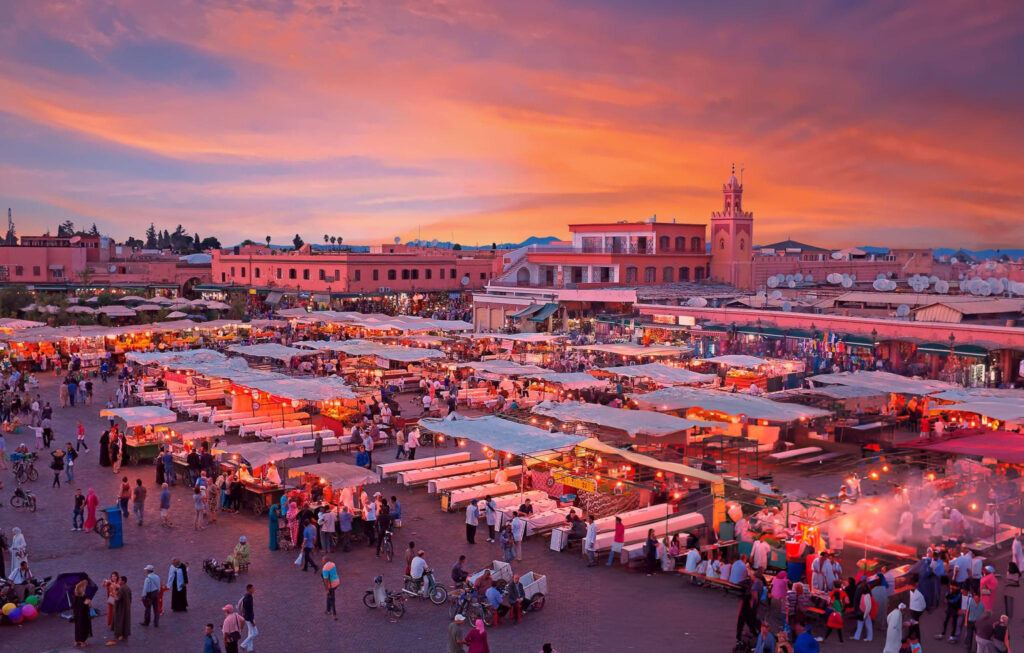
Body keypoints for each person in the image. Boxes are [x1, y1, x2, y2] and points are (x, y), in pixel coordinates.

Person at [109, 575, 132, 645]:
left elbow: (117, 598)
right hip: (127, 607)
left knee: (120, 621)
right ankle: (125, 635)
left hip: (121, 608)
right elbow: (130, 598)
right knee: (126, 621)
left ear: (123, 581)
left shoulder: (122, 589)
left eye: (120, 580)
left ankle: (121, 635)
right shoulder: (128, 588)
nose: (119, 581)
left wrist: (112, 592)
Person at [72, 578, 93, 648]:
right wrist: (88, 602)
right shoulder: (83, 597)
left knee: (77, 627)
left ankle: (77, 640)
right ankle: (82, 641)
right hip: (83, 615)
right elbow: (86, 604)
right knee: (83, 627)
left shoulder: (75, 597)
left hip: (77, 615)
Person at [239, 583, 257, 652]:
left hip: (248, 617)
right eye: (252, 588)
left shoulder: (248, 596)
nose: (254, 589)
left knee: (250, 633)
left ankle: (250, 649)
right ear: (249, 589)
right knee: (255, 633)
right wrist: (252, 621)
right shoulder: (248, 599)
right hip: (249, 618)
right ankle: (243, 645)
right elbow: (248, 611)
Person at [322, 556, 339, 620]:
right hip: (337, 582)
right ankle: (328, 610)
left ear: (325, 560)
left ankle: (334, 613)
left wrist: (327, 589)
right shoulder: (333, 564)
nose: (322, 561)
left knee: (331, 599)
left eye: (323, 560)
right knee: (329, 597)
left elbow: (325, 580)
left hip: (331, 585)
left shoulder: (325, 568)